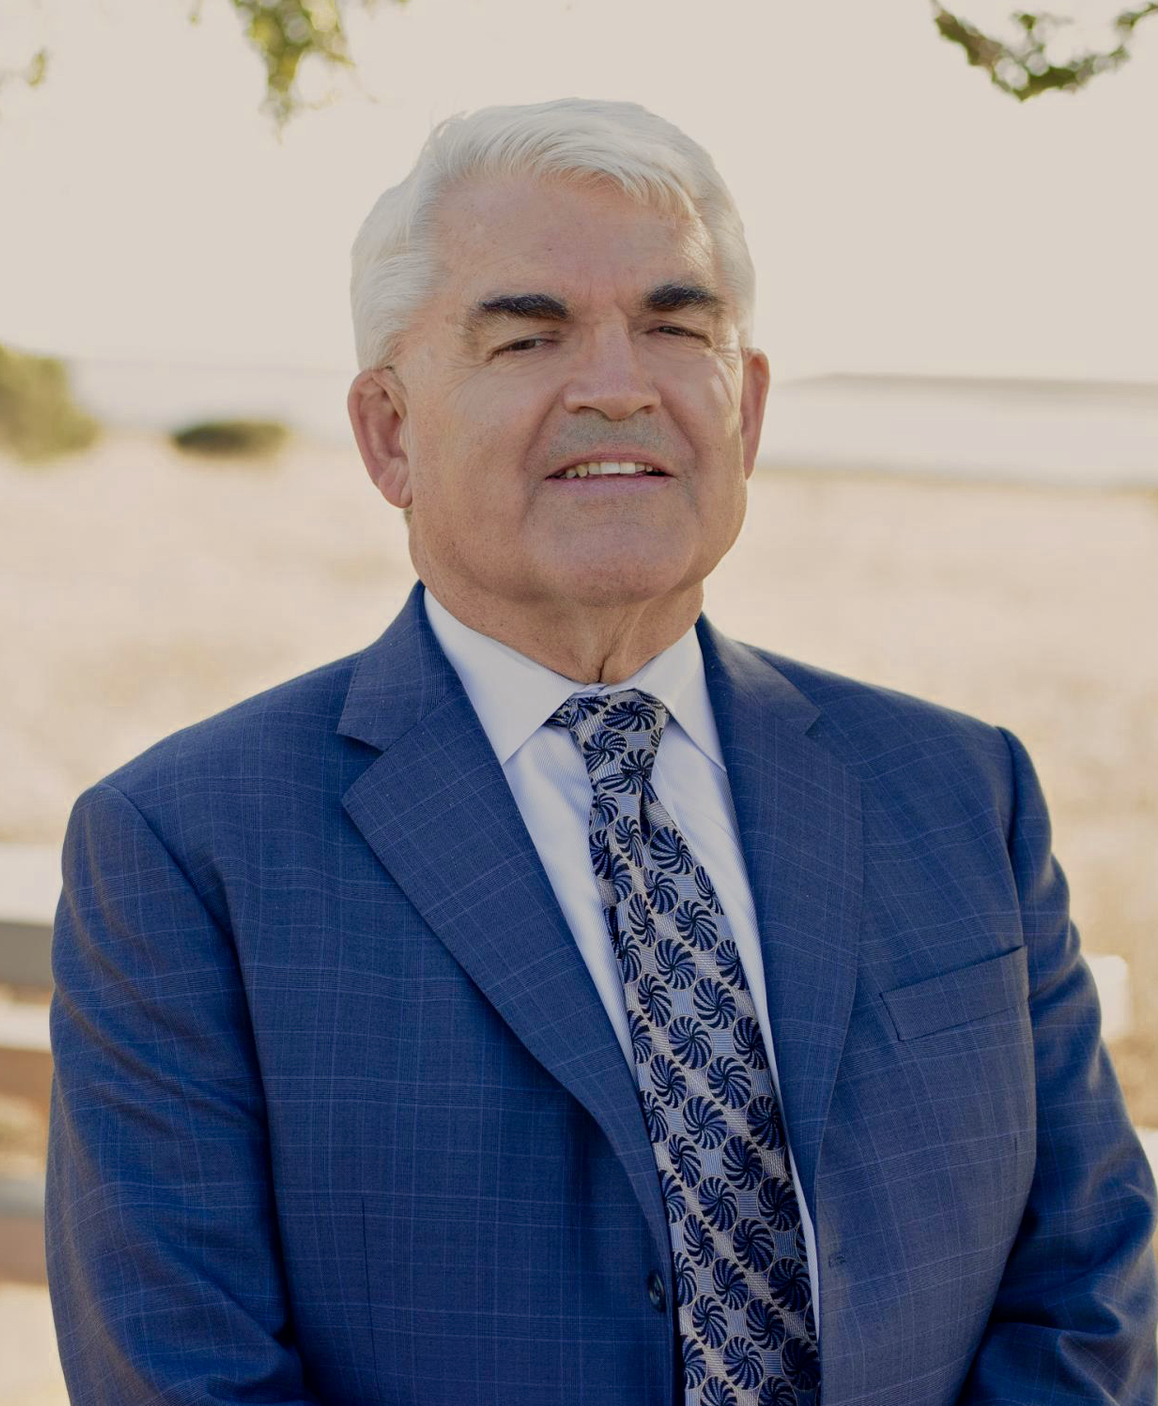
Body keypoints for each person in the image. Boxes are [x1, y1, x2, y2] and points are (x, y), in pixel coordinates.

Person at [45, 97, 1157, 1406]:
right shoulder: (186, 846)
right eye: (528, 334)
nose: (619, 383)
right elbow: (181, 1370)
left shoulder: (964, 790)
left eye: (674, 326)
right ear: (389, 431)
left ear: (741, 409)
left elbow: (1092, 1285)